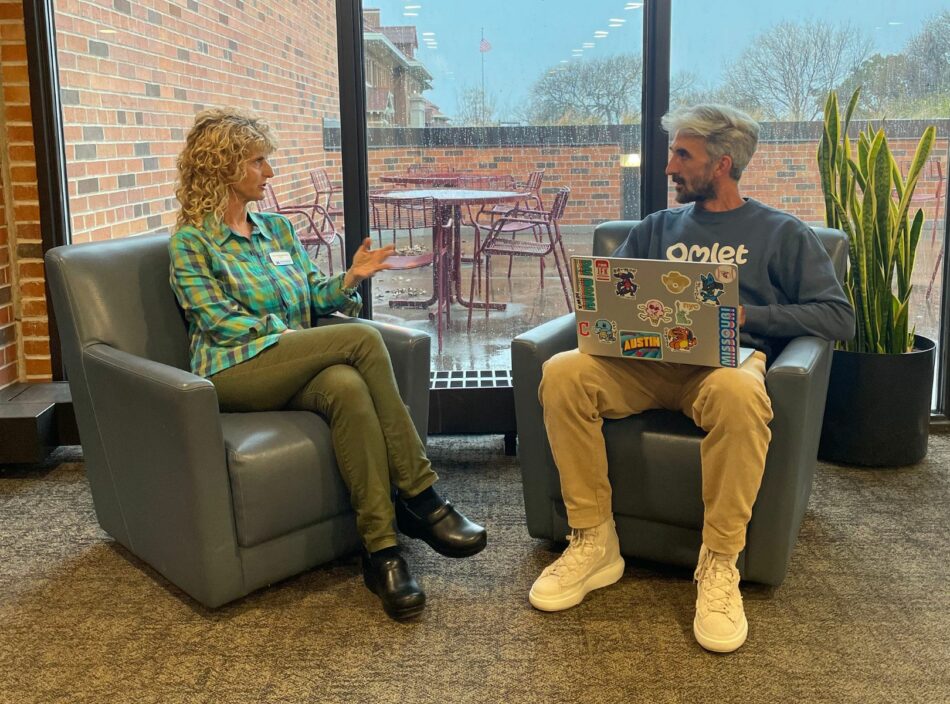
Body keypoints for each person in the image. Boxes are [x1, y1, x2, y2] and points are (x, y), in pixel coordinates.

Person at [528, 104, 855, 652]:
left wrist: (749, 316)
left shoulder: (782, 232)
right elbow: (615, 295)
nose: (669, 167)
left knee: (738, 393)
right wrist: (601, 311)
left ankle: (721, 562)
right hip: (646, 364)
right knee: (564, 372)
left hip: (727, 365)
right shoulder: (657, 227)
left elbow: (838, 317)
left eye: (683, 155)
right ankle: (593, 540)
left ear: (722, 163)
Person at [169, 107, 486, 621]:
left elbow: (313, 295)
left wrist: (351, 277)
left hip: (288, 358)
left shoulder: (276, 231)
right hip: (232, 369)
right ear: (224, 167)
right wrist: (290, 337)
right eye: (258, 161)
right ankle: (423, 496)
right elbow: (219, 321)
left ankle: (381, 552)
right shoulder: (192, 243)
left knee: (346, 386)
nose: (269, 173)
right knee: (360, 340)